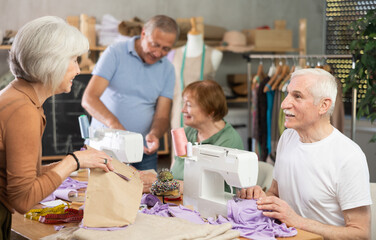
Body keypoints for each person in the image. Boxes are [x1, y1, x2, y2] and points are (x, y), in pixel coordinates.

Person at [0, 16, 114, 239]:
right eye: (74, 60)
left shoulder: (17, 97)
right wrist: (73, 161)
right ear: (52, 63)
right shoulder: (22, 110)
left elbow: (21, 176)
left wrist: (72, 165)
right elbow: (23, 200)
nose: (78, 70)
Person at [238, 68, 372, 239]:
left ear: (324, 105)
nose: (284, 104)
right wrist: (262, 197)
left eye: (297, 96)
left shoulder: (349, 156)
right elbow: (275, 193)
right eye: (287, 94)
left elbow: (361, 234)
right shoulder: (288, 137)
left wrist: (296, 220)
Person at [82, 15, 179, 171]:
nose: (158, 53)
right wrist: (116, 126)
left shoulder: (168, 69)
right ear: (143, 34)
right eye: (155, 45)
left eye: (165, 49)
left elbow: (162, 116)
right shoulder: (115, 53)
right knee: (102, 193)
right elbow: (89, 99)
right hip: (106, 147)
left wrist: (155, 134)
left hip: (143, 151)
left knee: (145, 195)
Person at [141, 80, 244, 193]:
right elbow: (173, 174)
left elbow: (211, 189)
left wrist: (161, 184)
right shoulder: (188, 133)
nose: (183, 110)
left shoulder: (228, 142)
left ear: (210, 111)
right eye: (184, 104)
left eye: (189, 105)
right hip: (180, 200)